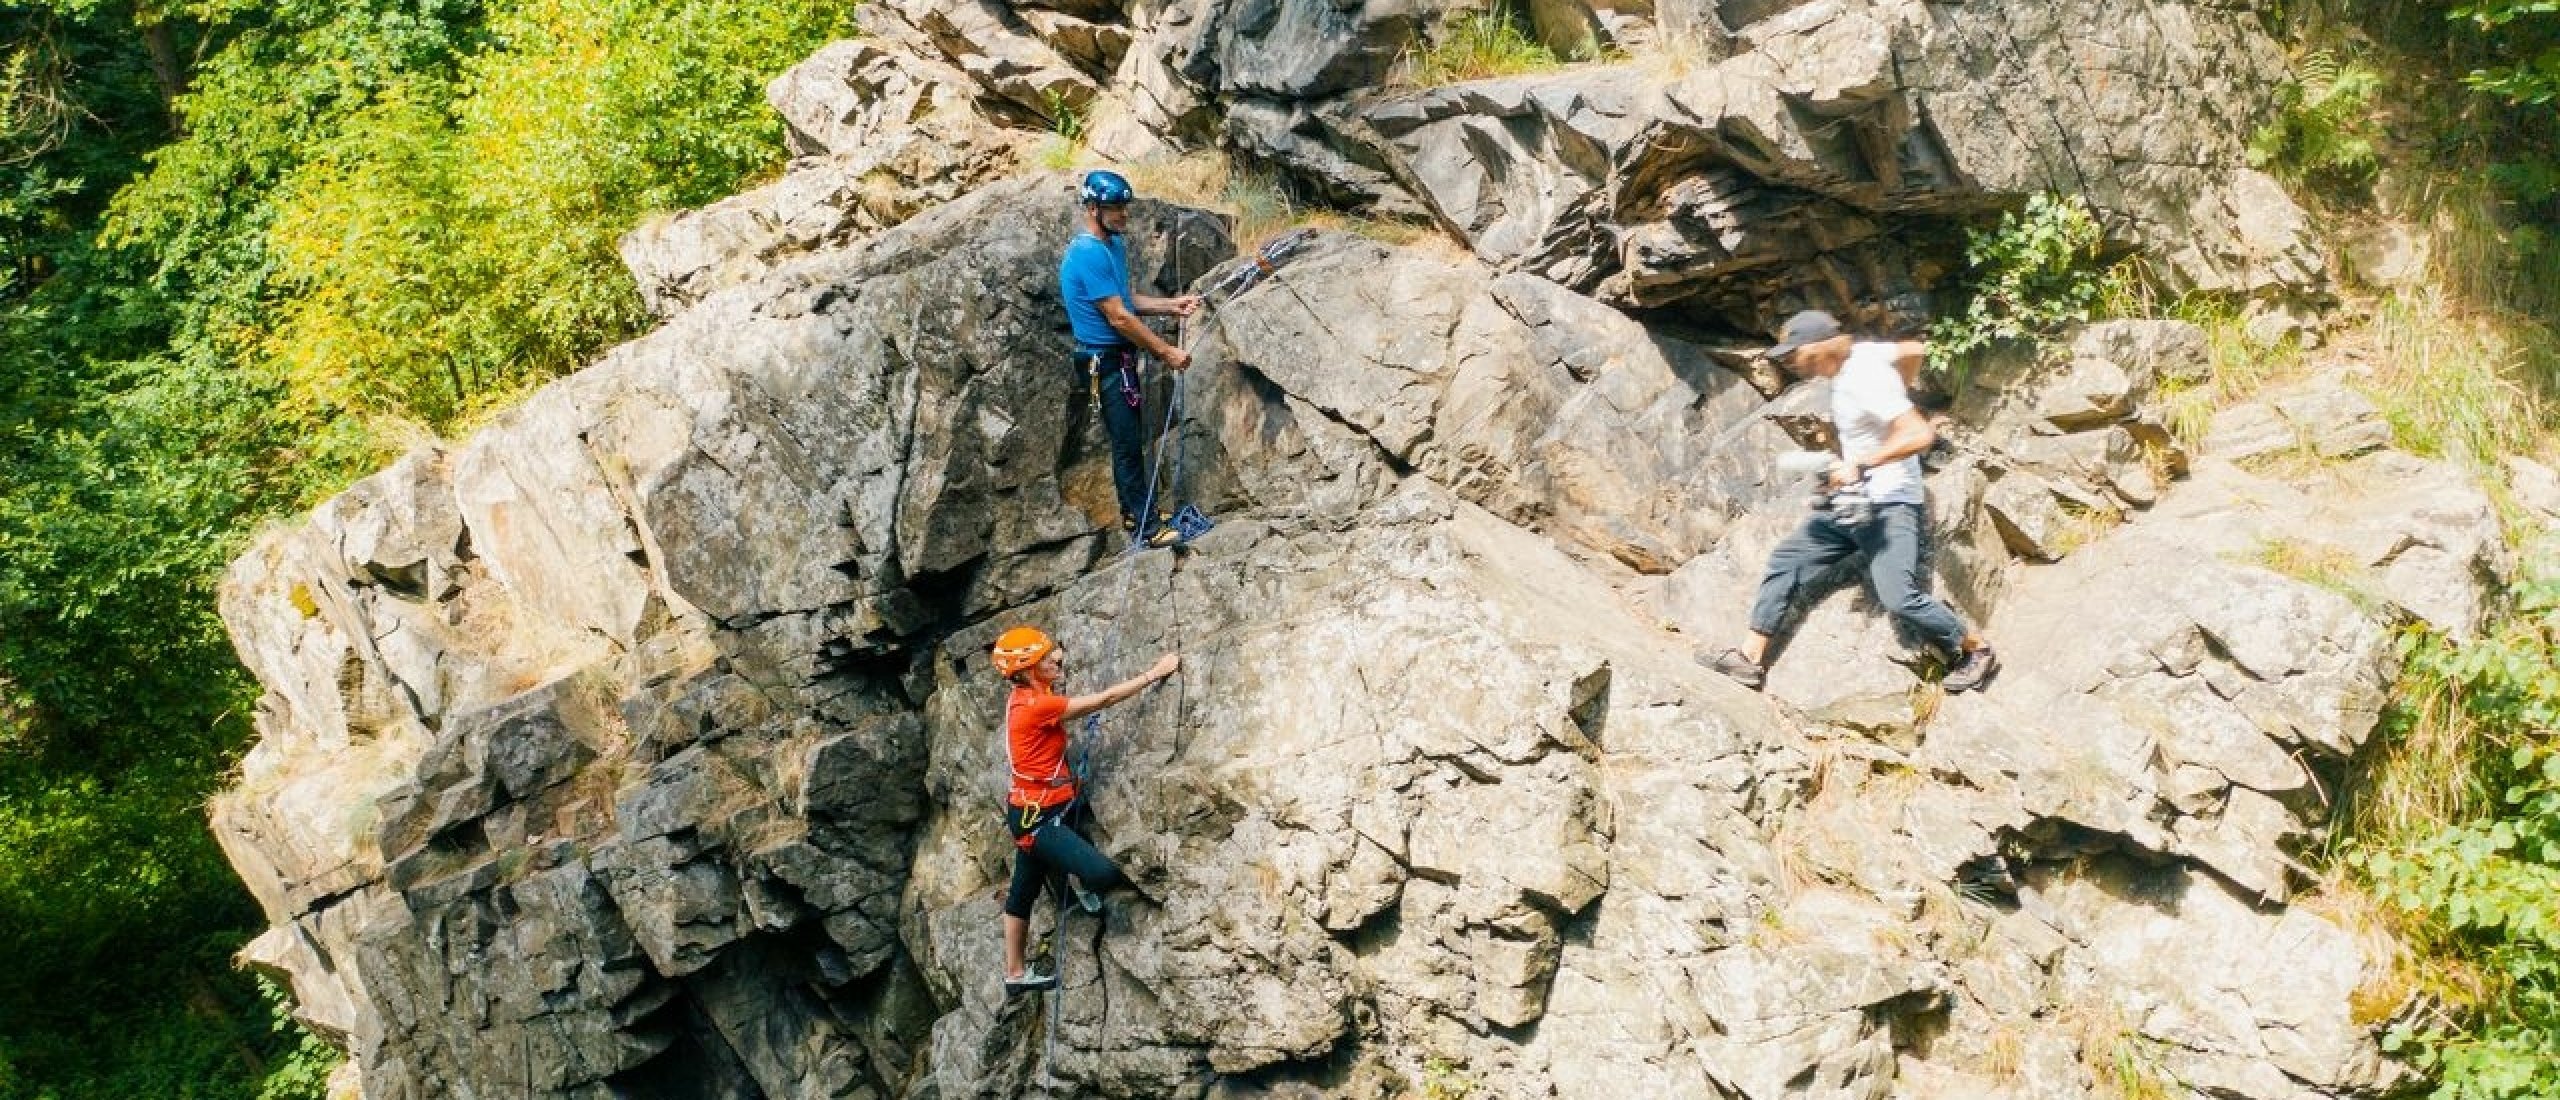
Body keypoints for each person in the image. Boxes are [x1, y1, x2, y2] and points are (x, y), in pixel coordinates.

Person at [1705, 310, 2000, 694]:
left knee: (1898, 597)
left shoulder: (1865, 378)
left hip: (1891, 504)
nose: (1794, 363)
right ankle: (1748, 660)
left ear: (1820, 346)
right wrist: (1902, 393)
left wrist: (1862, 460)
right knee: (1788, 559)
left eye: (1798, 354)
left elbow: (1917, 434)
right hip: (1856, 500)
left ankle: (1976, 650)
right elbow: (1914, 348)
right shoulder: (1865, 355)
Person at [988, 625, 1180, 997]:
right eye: (1048, 657)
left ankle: (1015, 973)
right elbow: (1105, 699)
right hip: (1037, 819)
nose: (1058, 657)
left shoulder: (1025, 693)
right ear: (1029, 670)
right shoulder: (1038, 705)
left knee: (1023, 890)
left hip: (1033, 809)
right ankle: (1069, 885)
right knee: (1103, 873)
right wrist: (1155, 673)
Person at [1059, 170, 1205, 550]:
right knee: (1125, 442)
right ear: (1093, 209)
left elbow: (1127, 300)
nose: (1124, 214)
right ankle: (1145, 525)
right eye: (1115, 208)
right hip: (1102, 361)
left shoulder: (1113, 245)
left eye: (1125, 206)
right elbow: (1118, 317)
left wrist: (1170, 307)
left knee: (1131, 439)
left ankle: (1134, 510)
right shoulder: (1087, 253)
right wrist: (1166, 351)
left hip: (1118, 358)